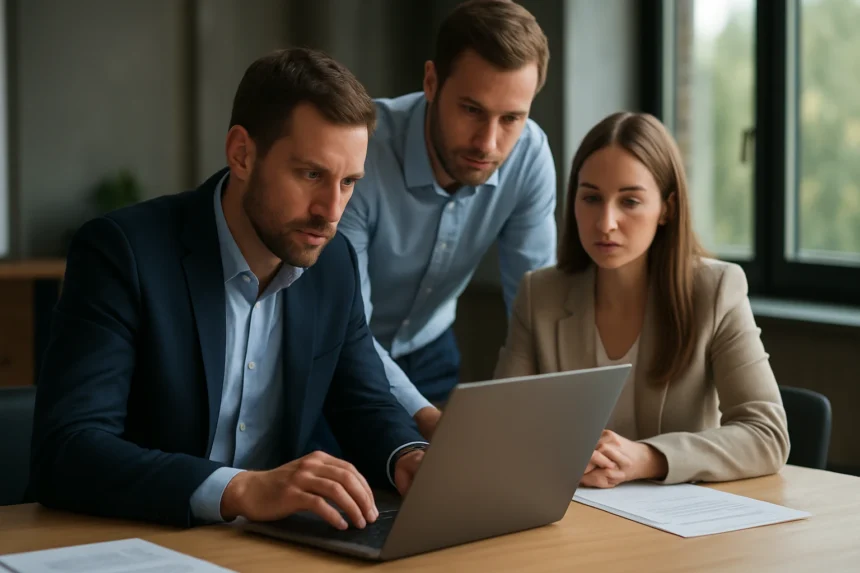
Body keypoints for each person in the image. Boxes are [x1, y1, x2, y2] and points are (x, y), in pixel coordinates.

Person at [29, 47, 427, 529]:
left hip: (270, 546)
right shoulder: (123, 253)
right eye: (311, 174)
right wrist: (240, 488)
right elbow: (69, 450)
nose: (331, 210)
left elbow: (363, 400)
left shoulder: (333, 260)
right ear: (242, 154)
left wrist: (410, 456)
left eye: (348, 182)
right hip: (139, 536)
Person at [494, 112, 790, 487]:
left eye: (629, 201)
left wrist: (647, 458)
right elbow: (502, 429)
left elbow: (767, 435)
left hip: (683, 529)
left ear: (665, 208)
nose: (605, 223)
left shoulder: (716, 290)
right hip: (577, 519)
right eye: (591, 198)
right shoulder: (540, 294)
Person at [338, 0, 558, 439]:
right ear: (431, 81)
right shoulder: (363, 153)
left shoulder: (530, 154)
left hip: (431, 349)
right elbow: (351, 327)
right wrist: (425, 417)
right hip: (340, 356)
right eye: (472, 110)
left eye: (511, 118)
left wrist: (534, 419)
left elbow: (534, 309)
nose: (488, 143)